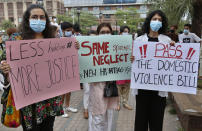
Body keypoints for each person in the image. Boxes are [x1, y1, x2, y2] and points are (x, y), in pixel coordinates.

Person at [0, 4, 79, 131]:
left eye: (42, 17)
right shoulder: (16, 39)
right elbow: (3, 60)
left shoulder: (53, 39)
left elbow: (63, 59)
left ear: (46, 20)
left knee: (48, 128)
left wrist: (73, 47)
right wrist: (4, 67)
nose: (39, 20)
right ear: (27, 19)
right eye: (35, 17)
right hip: (28, 103)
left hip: (50, 100)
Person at [132, 10, 174, 131]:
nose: (157, 22)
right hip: (142, 89)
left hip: (159, 90)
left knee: (157, 121)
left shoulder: (167, 41)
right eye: (154, 19)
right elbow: (134, 63)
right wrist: (132, 59)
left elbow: (173, 63)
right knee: (140, 121)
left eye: (160, 20)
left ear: (163, 23)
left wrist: (174, 49)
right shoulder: (139, 40)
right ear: (149, 21)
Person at [88, 23, 119, 131]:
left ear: (112, 33)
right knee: (97, 118)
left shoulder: (117, 48)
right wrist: (79, 49)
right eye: (102, 32)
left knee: (109, 117)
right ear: (97, 34)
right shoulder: (90, 49)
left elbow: (122, 65)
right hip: (96, 87)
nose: (105, 34)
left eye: (108, 32)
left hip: (110, 88)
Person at [60, 21, 78, 118]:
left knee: (69, 89)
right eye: (68, 31)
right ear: (62, 30)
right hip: (62, 68)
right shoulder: (58, 40)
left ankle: (67, 106)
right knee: (63, 90)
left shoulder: (73, 39)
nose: (70, 32)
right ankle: (60, 108)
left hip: (71, 66)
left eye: (71, 31)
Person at [116, 26, 133, 110]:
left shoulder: (131, 43)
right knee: (118, 87)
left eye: (128, 32)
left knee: (126, 87)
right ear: (120, 33)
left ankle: (125, 102)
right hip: (119, 70)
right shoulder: (116, 43)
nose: (127, 33)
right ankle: (118, 103)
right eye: (125, 31)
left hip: (128, 70)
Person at [83, 30, 97, 119]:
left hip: (96, 72)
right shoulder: (83, 48)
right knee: (87, 90)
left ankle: (94, 107)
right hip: (86, 72)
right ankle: (85, 109)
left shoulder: (99, 48)